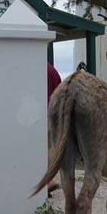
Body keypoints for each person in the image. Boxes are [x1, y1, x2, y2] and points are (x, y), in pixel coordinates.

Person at [47, 62, 62, 195]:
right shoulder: (52, 70)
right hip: (52, 113)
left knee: (40, 149)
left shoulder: (34, 67)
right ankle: (48, 180)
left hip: (37, 113)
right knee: (47, 149)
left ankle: (47, 182)